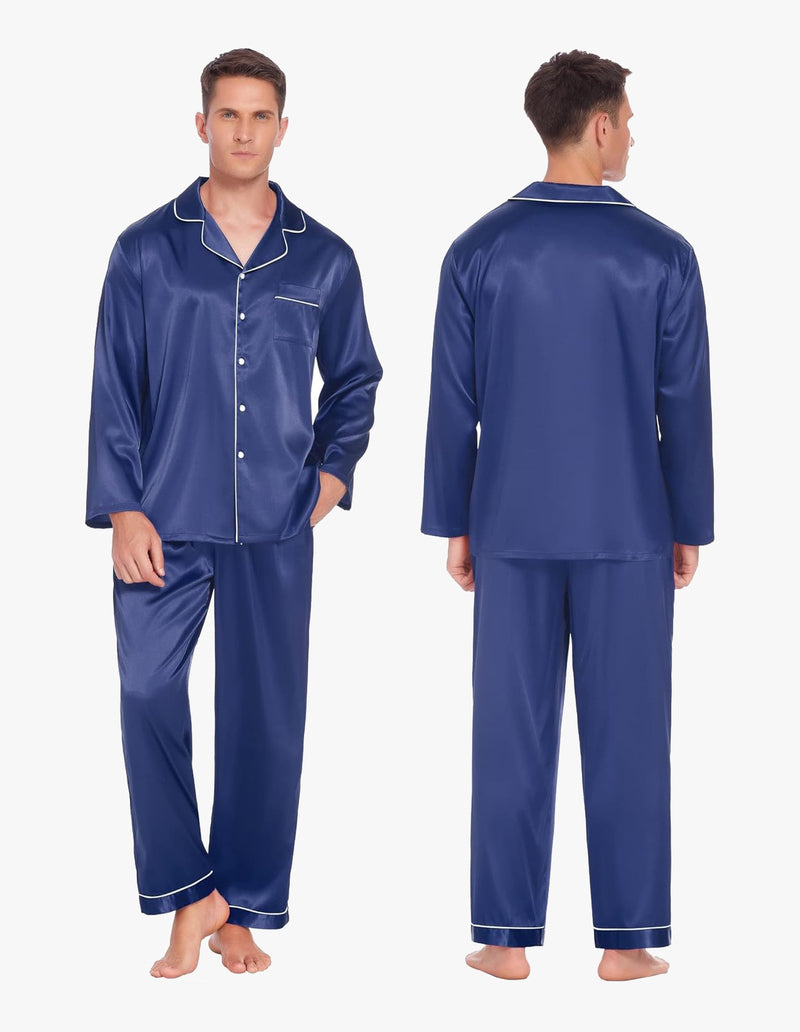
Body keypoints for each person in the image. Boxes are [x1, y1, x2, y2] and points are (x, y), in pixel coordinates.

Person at [86, 48, 382, 978]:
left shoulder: (325, 256)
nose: (244, 131)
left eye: (260, 116)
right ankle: (191, 895)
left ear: (282, 129)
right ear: (201, 123)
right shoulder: (145, 249)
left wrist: (330, 478)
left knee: (264, 722)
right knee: (146, 694)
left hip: (275, 524)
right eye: (229, 114)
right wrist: (122, 506)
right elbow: (115, 386)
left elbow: (356, 380)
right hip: (164, 520)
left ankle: (241, 910)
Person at [421, 49, 713, 982]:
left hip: (508, 528)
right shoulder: (663, 255)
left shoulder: (476, 251)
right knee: (631, 739)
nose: (632, 135)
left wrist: (455, 521)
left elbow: (453, 402)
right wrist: (689, 523)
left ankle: (504, 943)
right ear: (599, 125)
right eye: (628, 119)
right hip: (631, 528)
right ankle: (626, 946)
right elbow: (684, 403)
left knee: (509, 733)